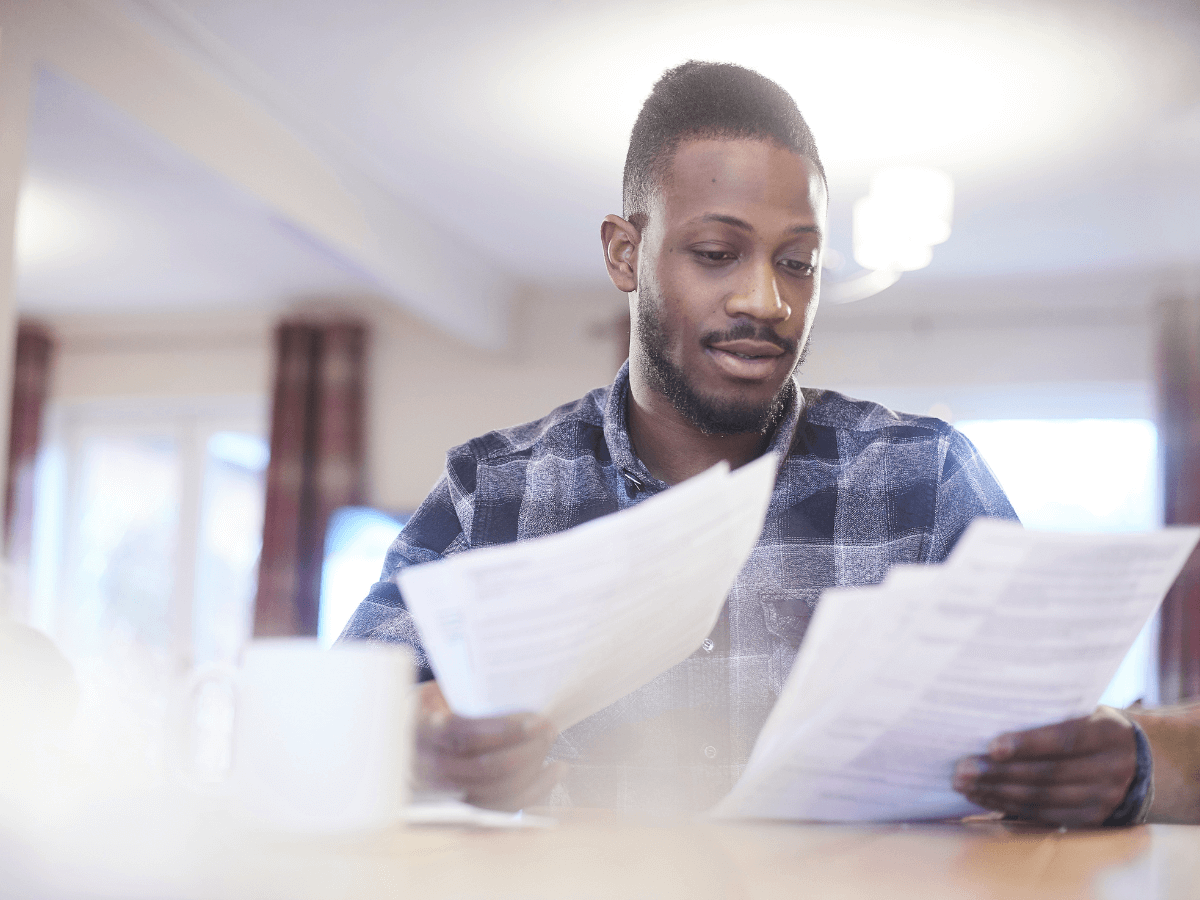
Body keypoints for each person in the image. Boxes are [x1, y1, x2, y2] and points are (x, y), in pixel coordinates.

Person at [341, 61, 1152, 825]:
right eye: (717, 254)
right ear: (626, 253)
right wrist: (421, 752)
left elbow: (1051, 751)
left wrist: (1086, 763)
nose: (768, 301)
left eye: (798, 262)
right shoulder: (492, 491)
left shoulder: (927, 477)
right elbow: (340, 729)